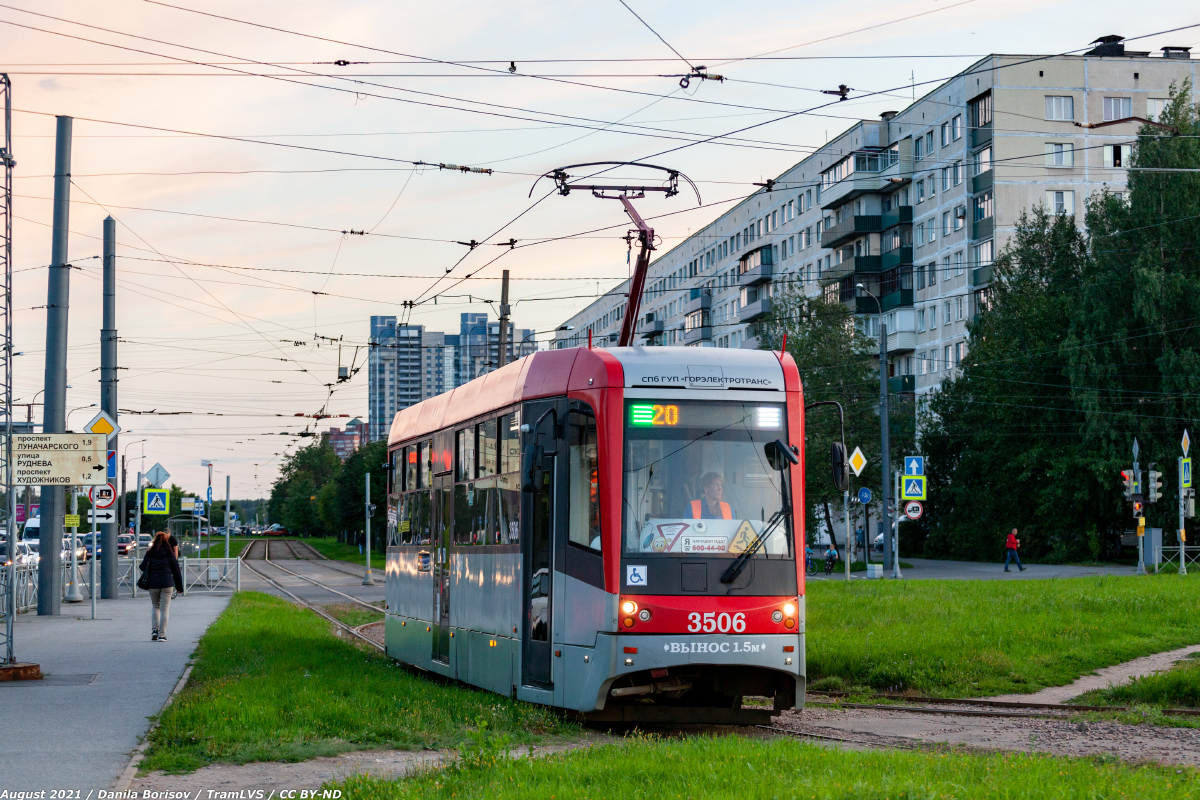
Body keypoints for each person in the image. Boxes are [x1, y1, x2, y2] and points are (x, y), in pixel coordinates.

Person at [141, 530, 184, 641]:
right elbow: (176, 571)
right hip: (167, 583)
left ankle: (154, 630)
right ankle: (162, 635)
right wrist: (179, 587)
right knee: (164, 609)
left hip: (153, 583)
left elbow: (142, 567)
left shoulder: (150, 553)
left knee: (155, 606)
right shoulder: (169, 553)